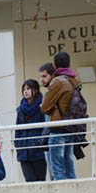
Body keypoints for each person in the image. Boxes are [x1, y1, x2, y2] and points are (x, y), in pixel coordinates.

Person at [39, 52, 79, 180]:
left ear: (55, 66)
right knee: (69, 167)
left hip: (58, 129)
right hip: (70, 127)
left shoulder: (58, 81)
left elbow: (44, 107)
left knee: (57, 170)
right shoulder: (73, 80)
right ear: (69, 64)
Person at [14, 79, 47, 182]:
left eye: (28, 88)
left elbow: (45, 126)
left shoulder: (42, 106)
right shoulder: (20, 109)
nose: (25, 91)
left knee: (40, 180)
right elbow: (18, 128)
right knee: (29, 180)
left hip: (38, 149)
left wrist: (40, 142)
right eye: (24, 89)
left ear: (35, 90)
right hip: (24, 150)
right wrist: (18, 143)